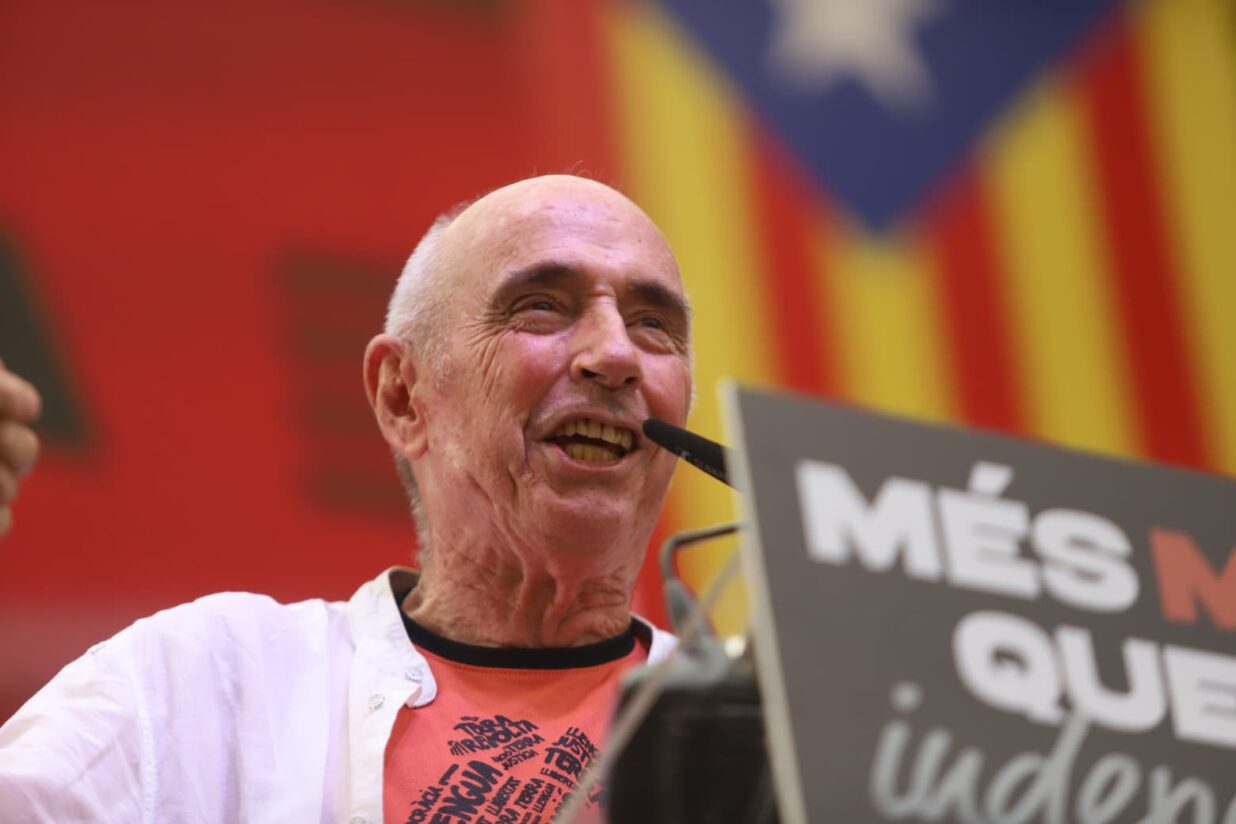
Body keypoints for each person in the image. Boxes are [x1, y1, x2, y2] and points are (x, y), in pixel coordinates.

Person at [0, 175, 694, 823]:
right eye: (542, 307)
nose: (616, 355)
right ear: (403, 397)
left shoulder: (752, 731)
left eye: (652, 324)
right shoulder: (202, 688)